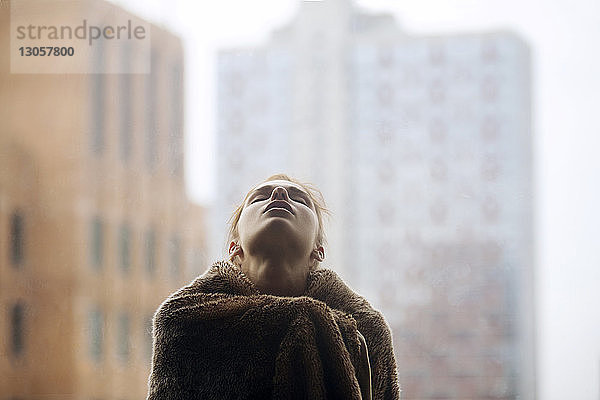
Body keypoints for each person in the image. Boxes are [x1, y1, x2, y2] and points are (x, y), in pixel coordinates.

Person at [147, 174, 400, 400]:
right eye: (260, 197)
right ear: (234, 247)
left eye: (300, 199)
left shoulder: (366, 332)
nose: (280, 194)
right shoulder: (186, 323)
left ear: (318, 251)